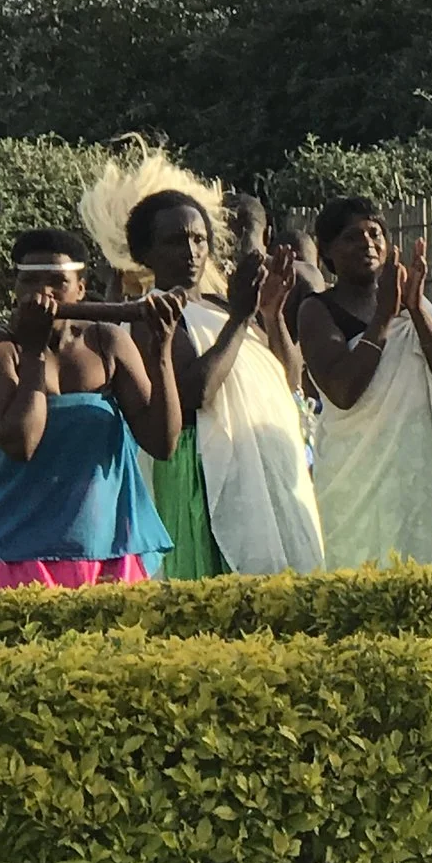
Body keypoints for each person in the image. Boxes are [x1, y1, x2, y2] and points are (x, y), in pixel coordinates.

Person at [112, 185, 324, 577]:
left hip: (265, 467)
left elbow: (290, 380)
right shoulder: (150, 316)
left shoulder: (223, 307)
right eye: (175, 241)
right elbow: (195, 393)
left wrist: (272, 314)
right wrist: (242, 318)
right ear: (147, 253)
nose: (191, 251)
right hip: (200, 475)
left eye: (199, 239)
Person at [0, 228, 180, 589]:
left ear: (80, 288)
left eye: (57, 283)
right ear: (14, 289)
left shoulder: (106, 342)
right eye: (31, 282)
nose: (44, 294)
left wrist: (161, 352)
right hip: (20, 548)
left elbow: (162, 443)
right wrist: (34, 351)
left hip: (110, 544)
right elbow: (21, 443)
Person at [296, 198, 432, 568]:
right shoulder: (317, 310)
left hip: (418, 475)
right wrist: (383, 318)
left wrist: (416, 309)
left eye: (375, 233)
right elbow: (343, 392)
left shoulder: (414, 305)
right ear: (327, 249)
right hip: (355, 479)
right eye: (351, 237)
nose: (367, 243)